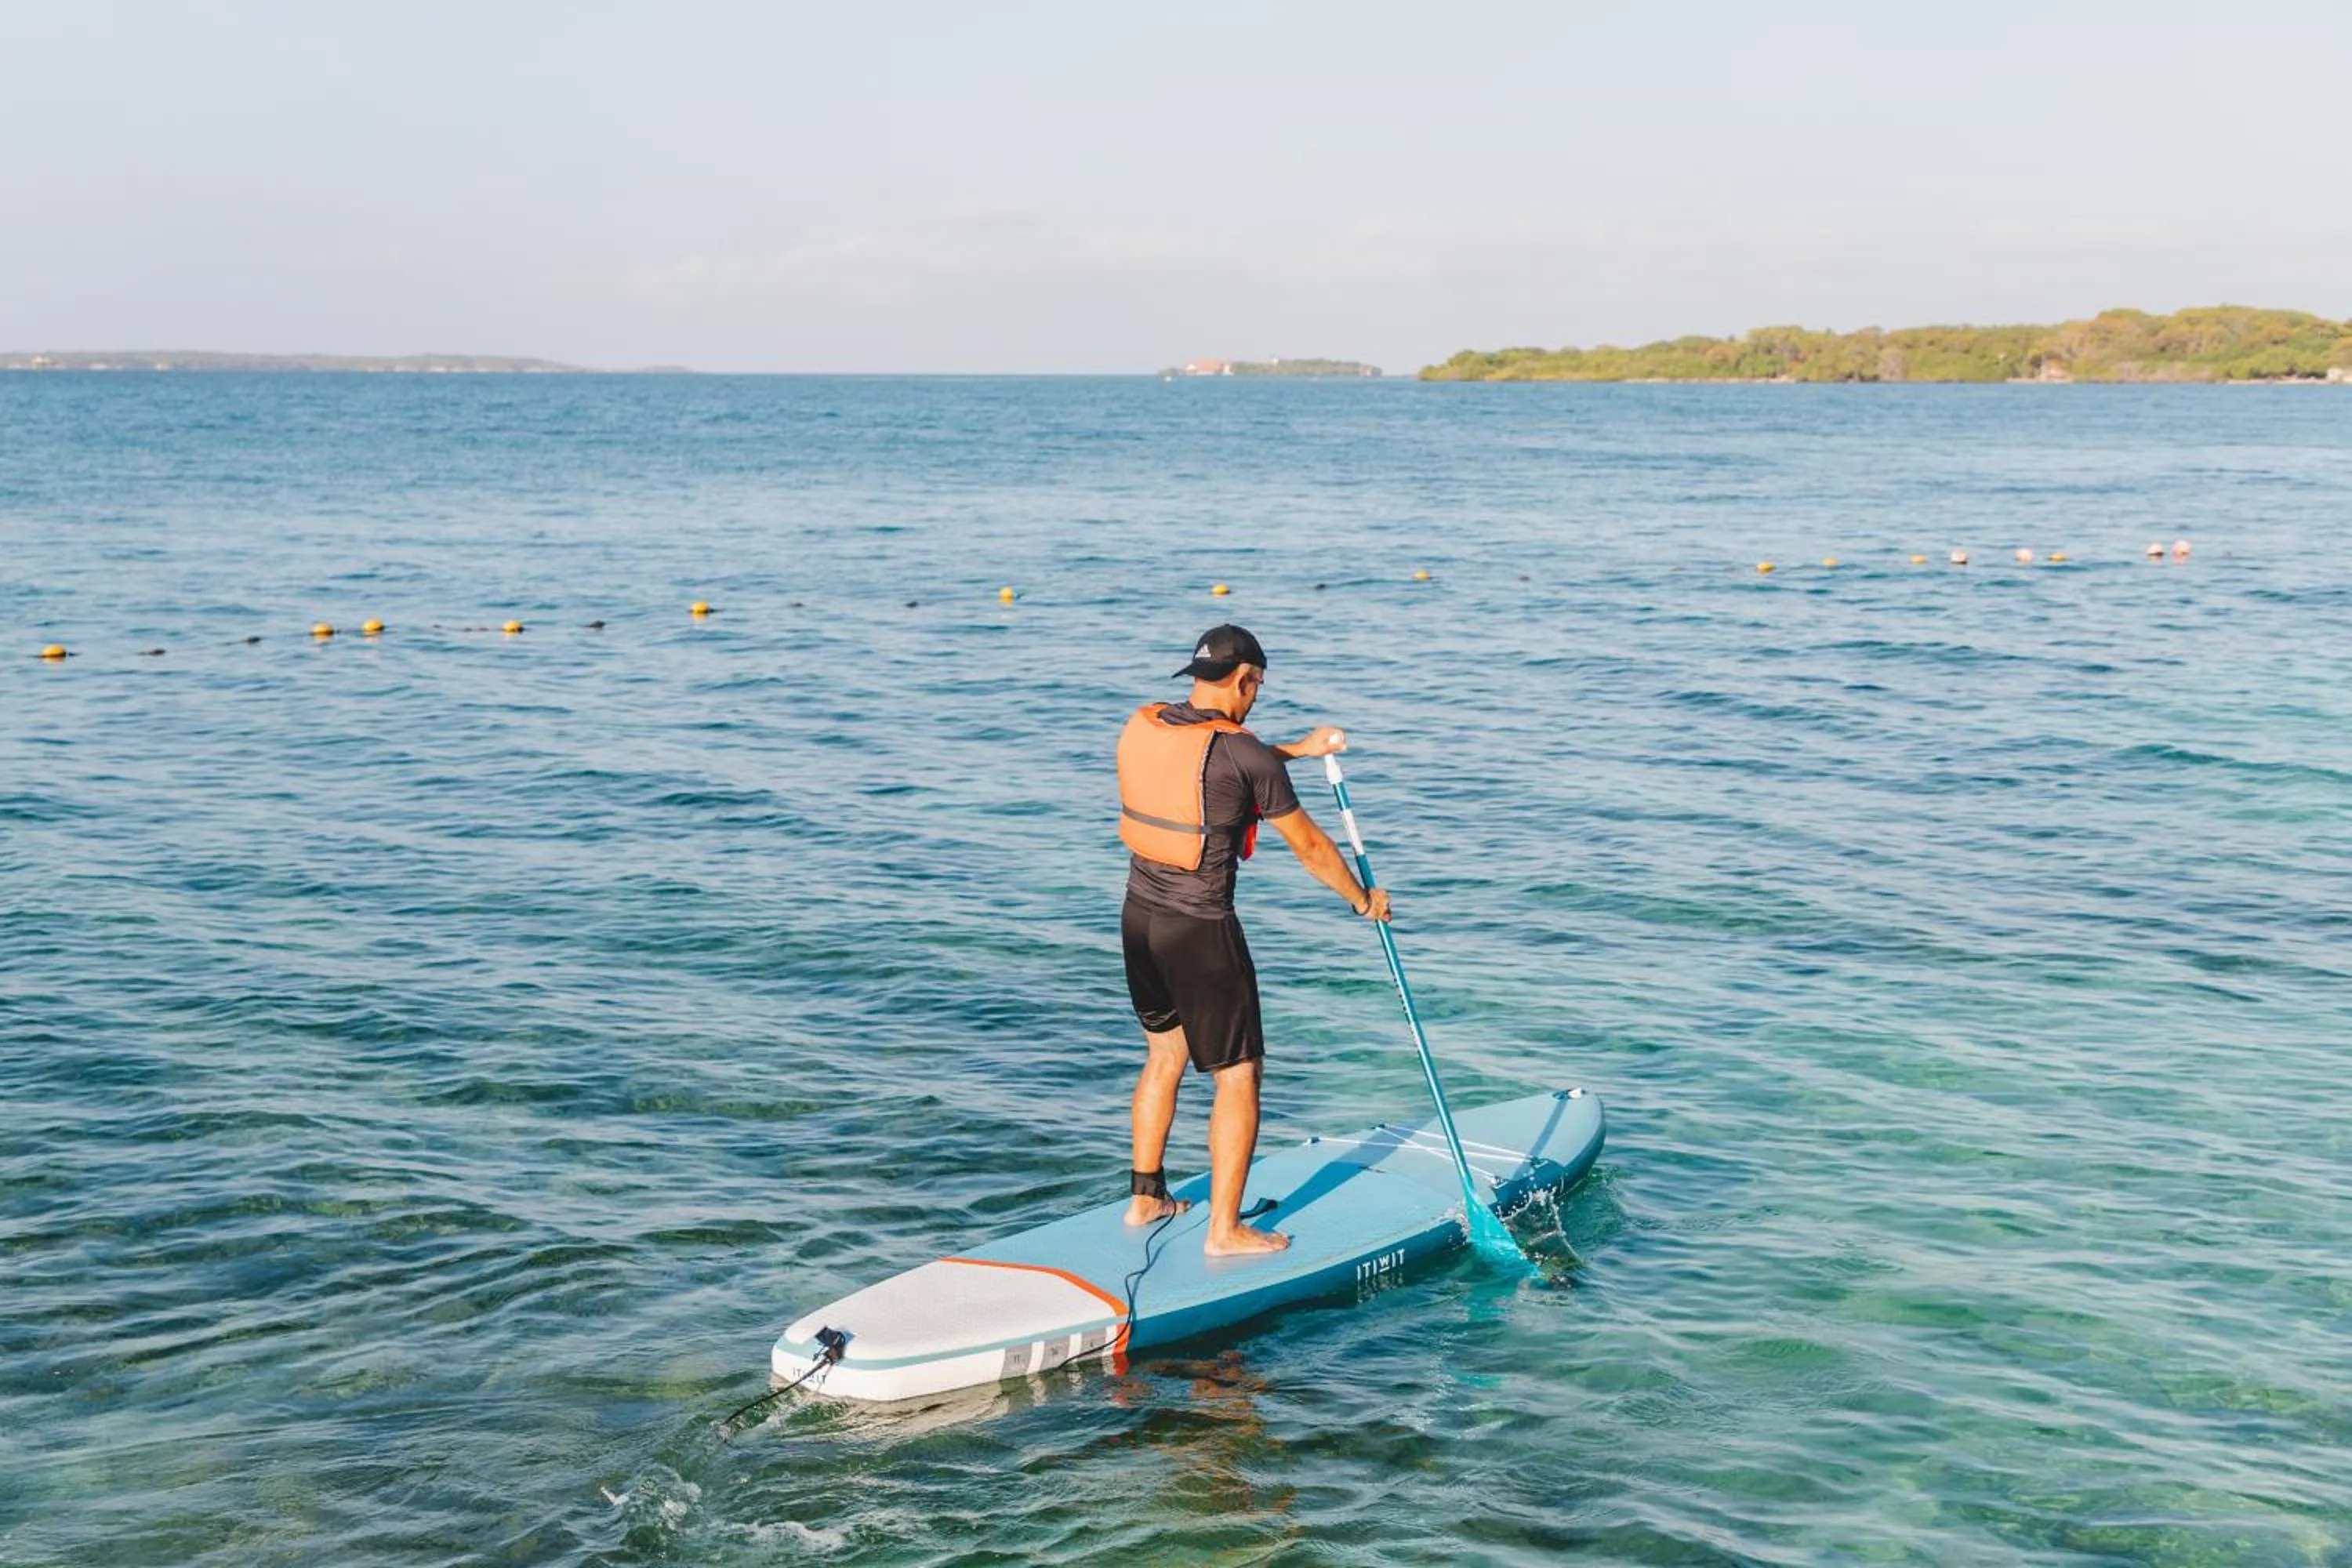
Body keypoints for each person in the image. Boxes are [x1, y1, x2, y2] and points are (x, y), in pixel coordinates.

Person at [1115, 624, 1391, 1257]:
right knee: (1239, 1077)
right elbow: (1313, 847)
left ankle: (1146, 1197)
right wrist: (1362, 901)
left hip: (1140, 920)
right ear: (1246, 679)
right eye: (1257, 686)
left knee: (1165, 1057)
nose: (1255, 696)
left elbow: (1234, 764)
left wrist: (1298, 748)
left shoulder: (1154, 722)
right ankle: (1225, 1230)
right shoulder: (1247, 755)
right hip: (1201, 933)